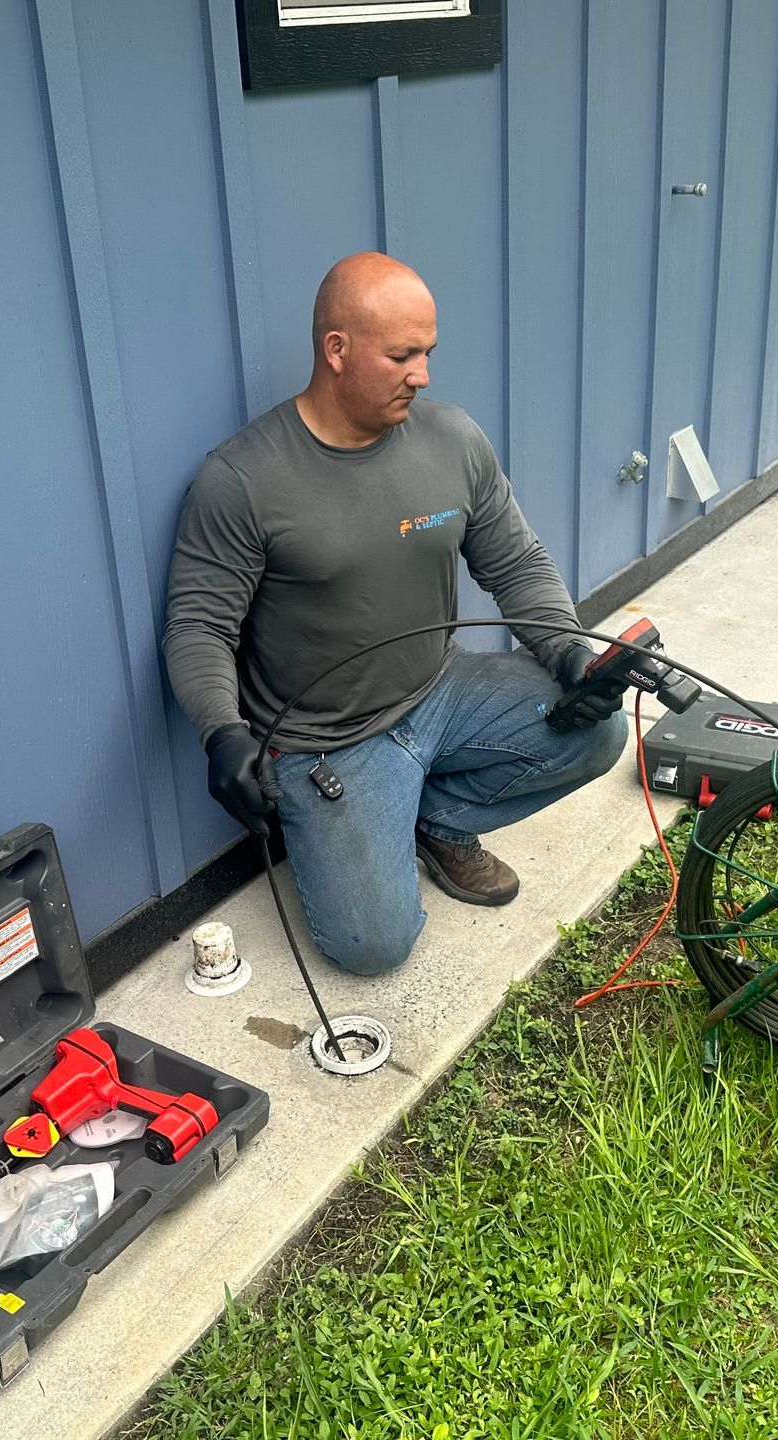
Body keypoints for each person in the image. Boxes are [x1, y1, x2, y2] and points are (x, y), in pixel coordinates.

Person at [162, 253, 626, 975]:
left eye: (428, 353)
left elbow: (516, 564)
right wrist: (221, 732)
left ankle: (437, 822)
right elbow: (198, 627)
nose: (424, 374)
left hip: (441, 689)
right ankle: (381, 819)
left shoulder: (453, 440)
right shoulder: (242, 481)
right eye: (403, 355)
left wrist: (571, 655)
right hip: (328, 742)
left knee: (597, 730)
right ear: (337, 350)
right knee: (373, 948)